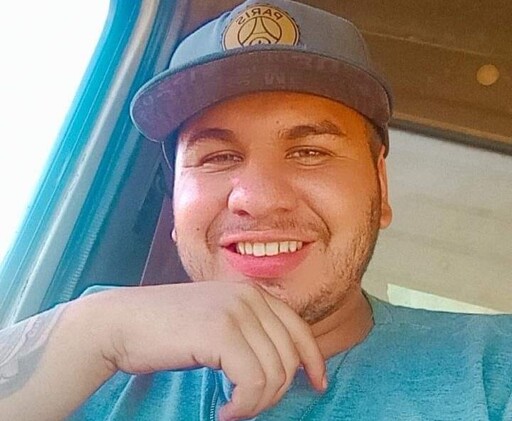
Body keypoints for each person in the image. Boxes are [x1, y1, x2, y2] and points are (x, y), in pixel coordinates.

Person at [1, 0, 511, 420]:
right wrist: (96, 331)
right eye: (217, 157)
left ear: (380, 185)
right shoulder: (89, 356)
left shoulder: (494, 367)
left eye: (309, 152)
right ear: (174, 206)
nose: (258, 198)